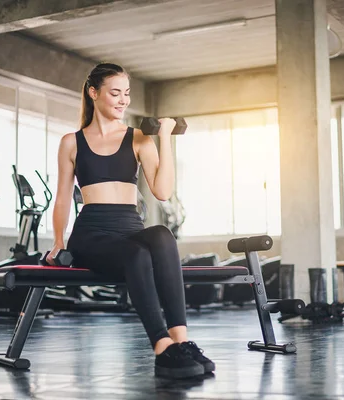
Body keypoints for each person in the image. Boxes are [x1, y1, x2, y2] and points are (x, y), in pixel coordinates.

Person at [47, 63, 214, 379]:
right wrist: (58, 242)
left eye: (126, 94)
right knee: (136, 254)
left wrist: (165, 137)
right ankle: (162, 348)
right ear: (93, 93)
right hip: (91, 233)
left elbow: (162, 192)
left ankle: (181, 341)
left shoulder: (138, 138)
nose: (123, 100)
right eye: (115, 93)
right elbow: (62, 197)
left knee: (162, 235)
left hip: (129, 227)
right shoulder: (72, 142)